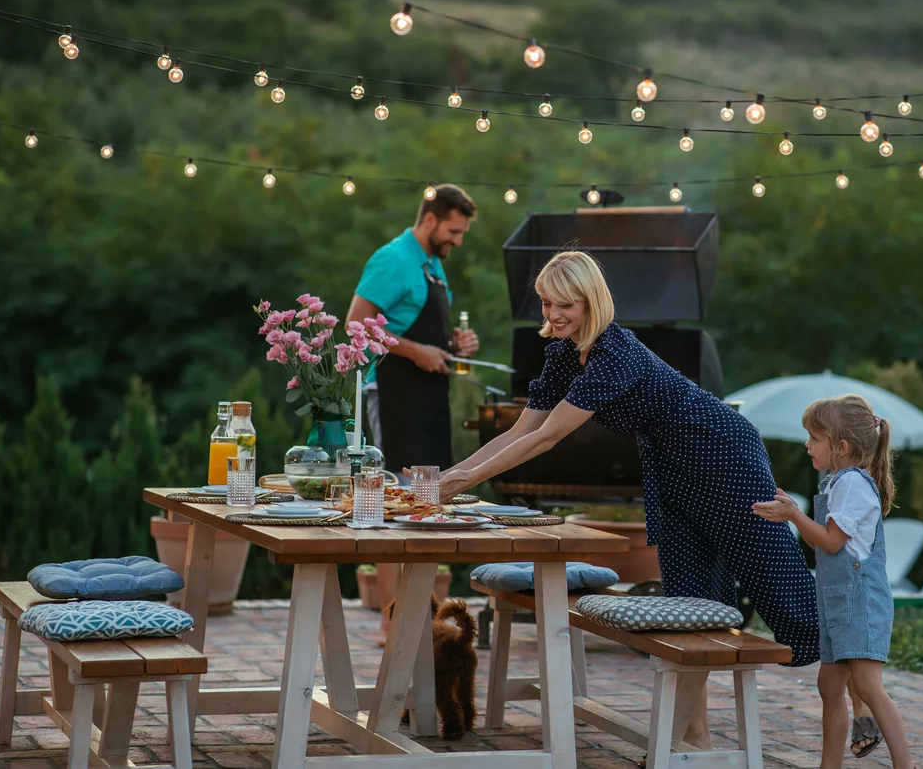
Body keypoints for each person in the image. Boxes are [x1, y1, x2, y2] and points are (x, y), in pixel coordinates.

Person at [438, 250, 821, 666]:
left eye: (565, 303)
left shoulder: (615, 354)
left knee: (786, 594)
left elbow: (545, 438)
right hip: (670, 467)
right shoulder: (566, 354)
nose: (553, 313)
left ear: (591, 300)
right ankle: (695, 733)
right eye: (547, 302)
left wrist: (462, 483)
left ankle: (858, 697)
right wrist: (447, 476)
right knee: (690, 605)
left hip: (722, 454)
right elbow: (519, 431)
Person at [752, 395, 913, 769]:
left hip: (860, 604)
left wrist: (794, 515)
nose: (807, 446)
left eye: (813, 438)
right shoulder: (837, 483)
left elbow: (831, 541)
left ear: (840, 447)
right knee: (829, 687)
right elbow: (820, 542)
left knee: (870, 687)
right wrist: (790, 517)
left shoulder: (853, 485)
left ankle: (906, 765)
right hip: (837, 603)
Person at [345, 184, 480, 475]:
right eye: (454, 232)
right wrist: (418, 352)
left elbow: (419, 324)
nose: (457, 242)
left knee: (431, 487)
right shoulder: (392, 258)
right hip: (395, 392)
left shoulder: (432, 263)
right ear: (431, 220)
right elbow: (356, 324)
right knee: (398, 483)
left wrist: (454, 344)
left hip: (430, 394)